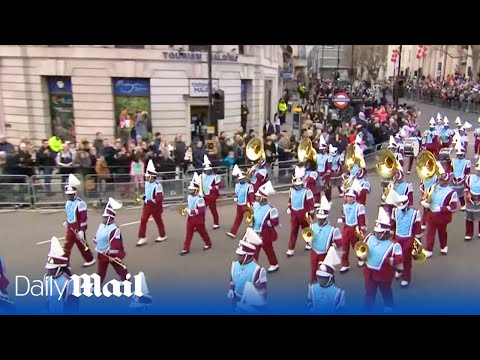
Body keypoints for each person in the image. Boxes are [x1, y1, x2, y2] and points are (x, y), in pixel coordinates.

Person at [358, 207, 403, 313]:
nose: (377, 234)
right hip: (369, 273)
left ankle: (389, 305)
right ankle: (368, 308)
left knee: (386, 292)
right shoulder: (369, 237)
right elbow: (361, 249)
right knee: (369, 293)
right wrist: (361, 257)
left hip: (384, 274)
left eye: (380, 232)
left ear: (386, 232)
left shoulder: (394, 245)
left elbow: (399, 259)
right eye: (377, 232)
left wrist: (390, 261)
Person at [421, 163, 458, 257]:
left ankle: (444, 246)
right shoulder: (432, 187)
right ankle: (429, 250)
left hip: (442, 216)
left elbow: (453, 206)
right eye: (440, 179)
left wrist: (441, 209)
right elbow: (425, 197)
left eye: (443, 180)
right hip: (431, 214)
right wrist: (424, 202)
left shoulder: (451, 192)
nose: (441, 181)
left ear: (447, 181)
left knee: (442, 232)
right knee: (430, 233)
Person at [227, 227, 267, 313]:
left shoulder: (258, 270)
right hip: (235, 300)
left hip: (250, 306)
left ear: (248, 255)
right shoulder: (234, 264)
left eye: (241, 255)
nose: (238, 256)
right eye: (238, 254)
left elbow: (262, 293)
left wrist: (247, 306)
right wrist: (231, 289)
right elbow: (232, 280)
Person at [390, 190, 422, 288]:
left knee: (406, 259)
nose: (402, 209)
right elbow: (393, 224)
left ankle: (406, 278)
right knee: (396, 256)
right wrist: (391, 235)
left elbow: (417, 228)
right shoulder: (395, 211)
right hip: (397, 238)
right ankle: (399, 270)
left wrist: (417, 243)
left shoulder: (415, 213)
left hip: (408, 239)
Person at [93, 197, 128, 285]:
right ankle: (96, 285)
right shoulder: (102, 225)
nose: (103, 219)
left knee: (119, 267)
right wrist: (96, 239)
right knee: (101, 271)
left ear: (110, 218)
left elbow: (116, 243)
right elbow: (99, 234)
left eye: (105, 217)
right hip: (101, 252)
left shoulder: (114, 229)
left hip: (109, 253)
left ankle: (125, 279)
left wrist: (113, 254)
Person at [63, 173, 96, 268]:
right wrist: (67, 222)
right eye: (68, 195)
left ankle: (89, 259)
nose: (69, 196)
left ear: (75, 193)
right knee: (67, 246)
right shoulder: (68, 203)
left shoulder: (81, 203)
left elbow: (83, 218)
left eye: (71, 194)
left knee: (81, 245)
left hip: (77, 228)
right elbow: (69, 214)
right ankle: (66, 264)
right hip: (70, 227)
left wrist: (82, 230)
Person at [307, 196, 342, 283]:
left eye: (322, 219)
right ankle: (313, 289)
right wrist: (308, 241)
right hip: (314, 252)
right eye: (319, 218)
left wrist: (333, 245)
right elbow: (308, 238)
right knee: (313, 272)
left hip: (326, 254)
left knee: (327, 273)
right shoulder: (312, 226)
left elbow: (340, 243)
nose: (320, 220)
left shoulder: (333, 229)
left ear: (326, 218)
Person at [43, 236, 79, 314]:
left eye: (51, 269)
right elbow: (48, 299)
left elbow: (73, 306)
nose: (49, 271)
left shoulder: (69, 283)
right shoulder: (46, 278)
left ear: (59, 268)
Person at [137, 160, 167, 246]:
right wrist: (144, 197)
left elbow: (159, 197)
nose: (145, 178)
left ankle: (163, 235)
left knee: (158, 220)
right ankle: (143, 237)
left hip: (155, 206)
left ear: (152, 177)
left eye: (147, 177)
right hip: (147, 205)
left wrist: (150, 200)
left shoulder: (157, 185)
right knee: (143, 219)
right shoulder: (147, 183)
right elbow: (148, 193)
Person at [338, 179, 367, 273]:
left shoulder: (359, 206)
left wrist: (362, 228)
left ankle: (361, 258)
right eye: (347, 197)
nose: (349, 199)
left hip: (355, 228)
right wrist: (342, 219)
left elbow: (361, 218)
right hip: (346, 228)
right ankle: (345, 264)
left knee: (356, 245)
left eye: (351, 197)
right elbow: (344, 215)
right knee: (344, 246)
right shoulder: (345, 206)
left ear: (354, 198)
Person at [180, 172, 212, 255]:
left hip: (198, 219)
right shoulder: (189, 197)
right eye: (189, 190)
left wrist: (192, 211)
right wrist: (187, 209)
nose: (190, 191)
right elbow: (191, 205)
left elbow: (201, 211)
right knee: (188, 233)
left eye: (192, 190)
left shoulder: (200, 199)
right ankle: (185, 248)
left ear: (197, 190)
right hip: (190, 218)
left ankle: (208, 243)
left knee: (202, 232)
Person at [306, 246, 345, 314]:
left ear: (330, 278)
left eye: (324, 278)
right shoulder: (311, 288)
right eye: (319, 277)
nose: (320, 279)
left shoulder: (339, 293)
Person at [286, 166, 315, 257]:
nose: (298, 186)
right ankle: (291, 248)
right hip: (294, 214)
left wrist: (311, 213)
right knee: (293, 230)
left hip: (304, 214)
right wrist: (289, 207)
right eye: (297, 184)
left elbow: (310, 203)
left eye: (300, 184)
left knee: (306, 229)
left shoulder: (307, 191)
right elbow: (290, 200)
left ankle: (309, 242)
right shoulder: (291, 190)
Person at [252, 181, 280, 272]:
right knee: (254, 249)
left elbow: (275, 222)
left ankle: (274, 264)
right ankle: (253, 265)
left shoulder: (271, 209)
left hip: (265, 233)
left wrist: (263, 224)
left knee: (268, 249)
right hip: (255, 231)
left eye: (257, 196)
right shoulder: (255, 205)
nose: (255, 197)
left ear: (262, 198)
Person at [227, 165, 255, 239]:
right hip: (239, 205)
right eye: (240, 179)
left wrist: (252, 204)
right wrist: (236, 197)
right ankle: (233, 232)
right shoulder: (237, 185)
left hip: (246, 205)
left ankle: (254, 233)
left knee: (250, 221)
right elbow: (237, 193)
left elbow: (251, 196)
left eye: (242, 179)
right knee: (238, 218)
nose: (241, 180)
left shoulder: (249, 186)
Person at [201, 155, 222, 229]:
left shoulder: (215, 176)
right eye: (206, 170)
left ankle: (216, 223)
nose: (207, 171)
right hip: (203, 195)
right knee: (201, 211)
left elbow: (220, 185)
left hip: (211, 196)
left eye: (208, 170)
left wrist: (213, 188)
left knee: (213, 210)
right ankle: (199, 225)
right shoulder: (201, 176)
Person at [450, 141, 470, 211]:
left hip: (461, 179)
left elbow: (467, 171)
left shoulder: (467, 161)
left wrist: (465, 178)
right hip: (454, 178)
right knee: (452, 193)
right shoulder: (453, 161)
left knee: (460, 193)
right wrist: (452, 176)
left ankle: (463, 204)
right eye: (458, 155)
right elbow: (452, 170)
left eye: (460, 154)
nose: (459, 156)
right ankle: (453, 206)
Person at [463, 159, 480, 240]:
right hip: (471, 198)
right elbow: (466, 186)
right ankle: (469, 233)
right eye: (478, 170)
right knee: (469, 216)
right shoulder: (470, 177)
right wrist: (468, 193)